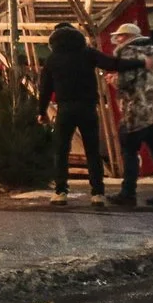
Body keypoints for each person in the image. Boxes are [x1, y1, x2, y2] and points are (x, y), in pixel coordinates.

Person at [39, 23, 114, 205]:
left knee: (62, 150)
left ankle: (60, 191)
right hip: (88, 108)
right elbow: (109, 63)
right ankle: (97, 193)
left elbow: (45, 88)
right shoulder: (87, 54)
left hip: (65, 108)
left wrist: (41, 111)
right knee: (92, 151)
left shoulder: (53, 59)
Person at [109, 35, 153, 209]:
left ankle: (128, 193)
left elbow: (125, 82)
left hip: (138, 111)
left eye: (119, 37)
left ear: (126, 37)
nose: (116, 40)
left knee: (130, 150)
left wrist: (113, 80)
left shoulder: (129, 54)